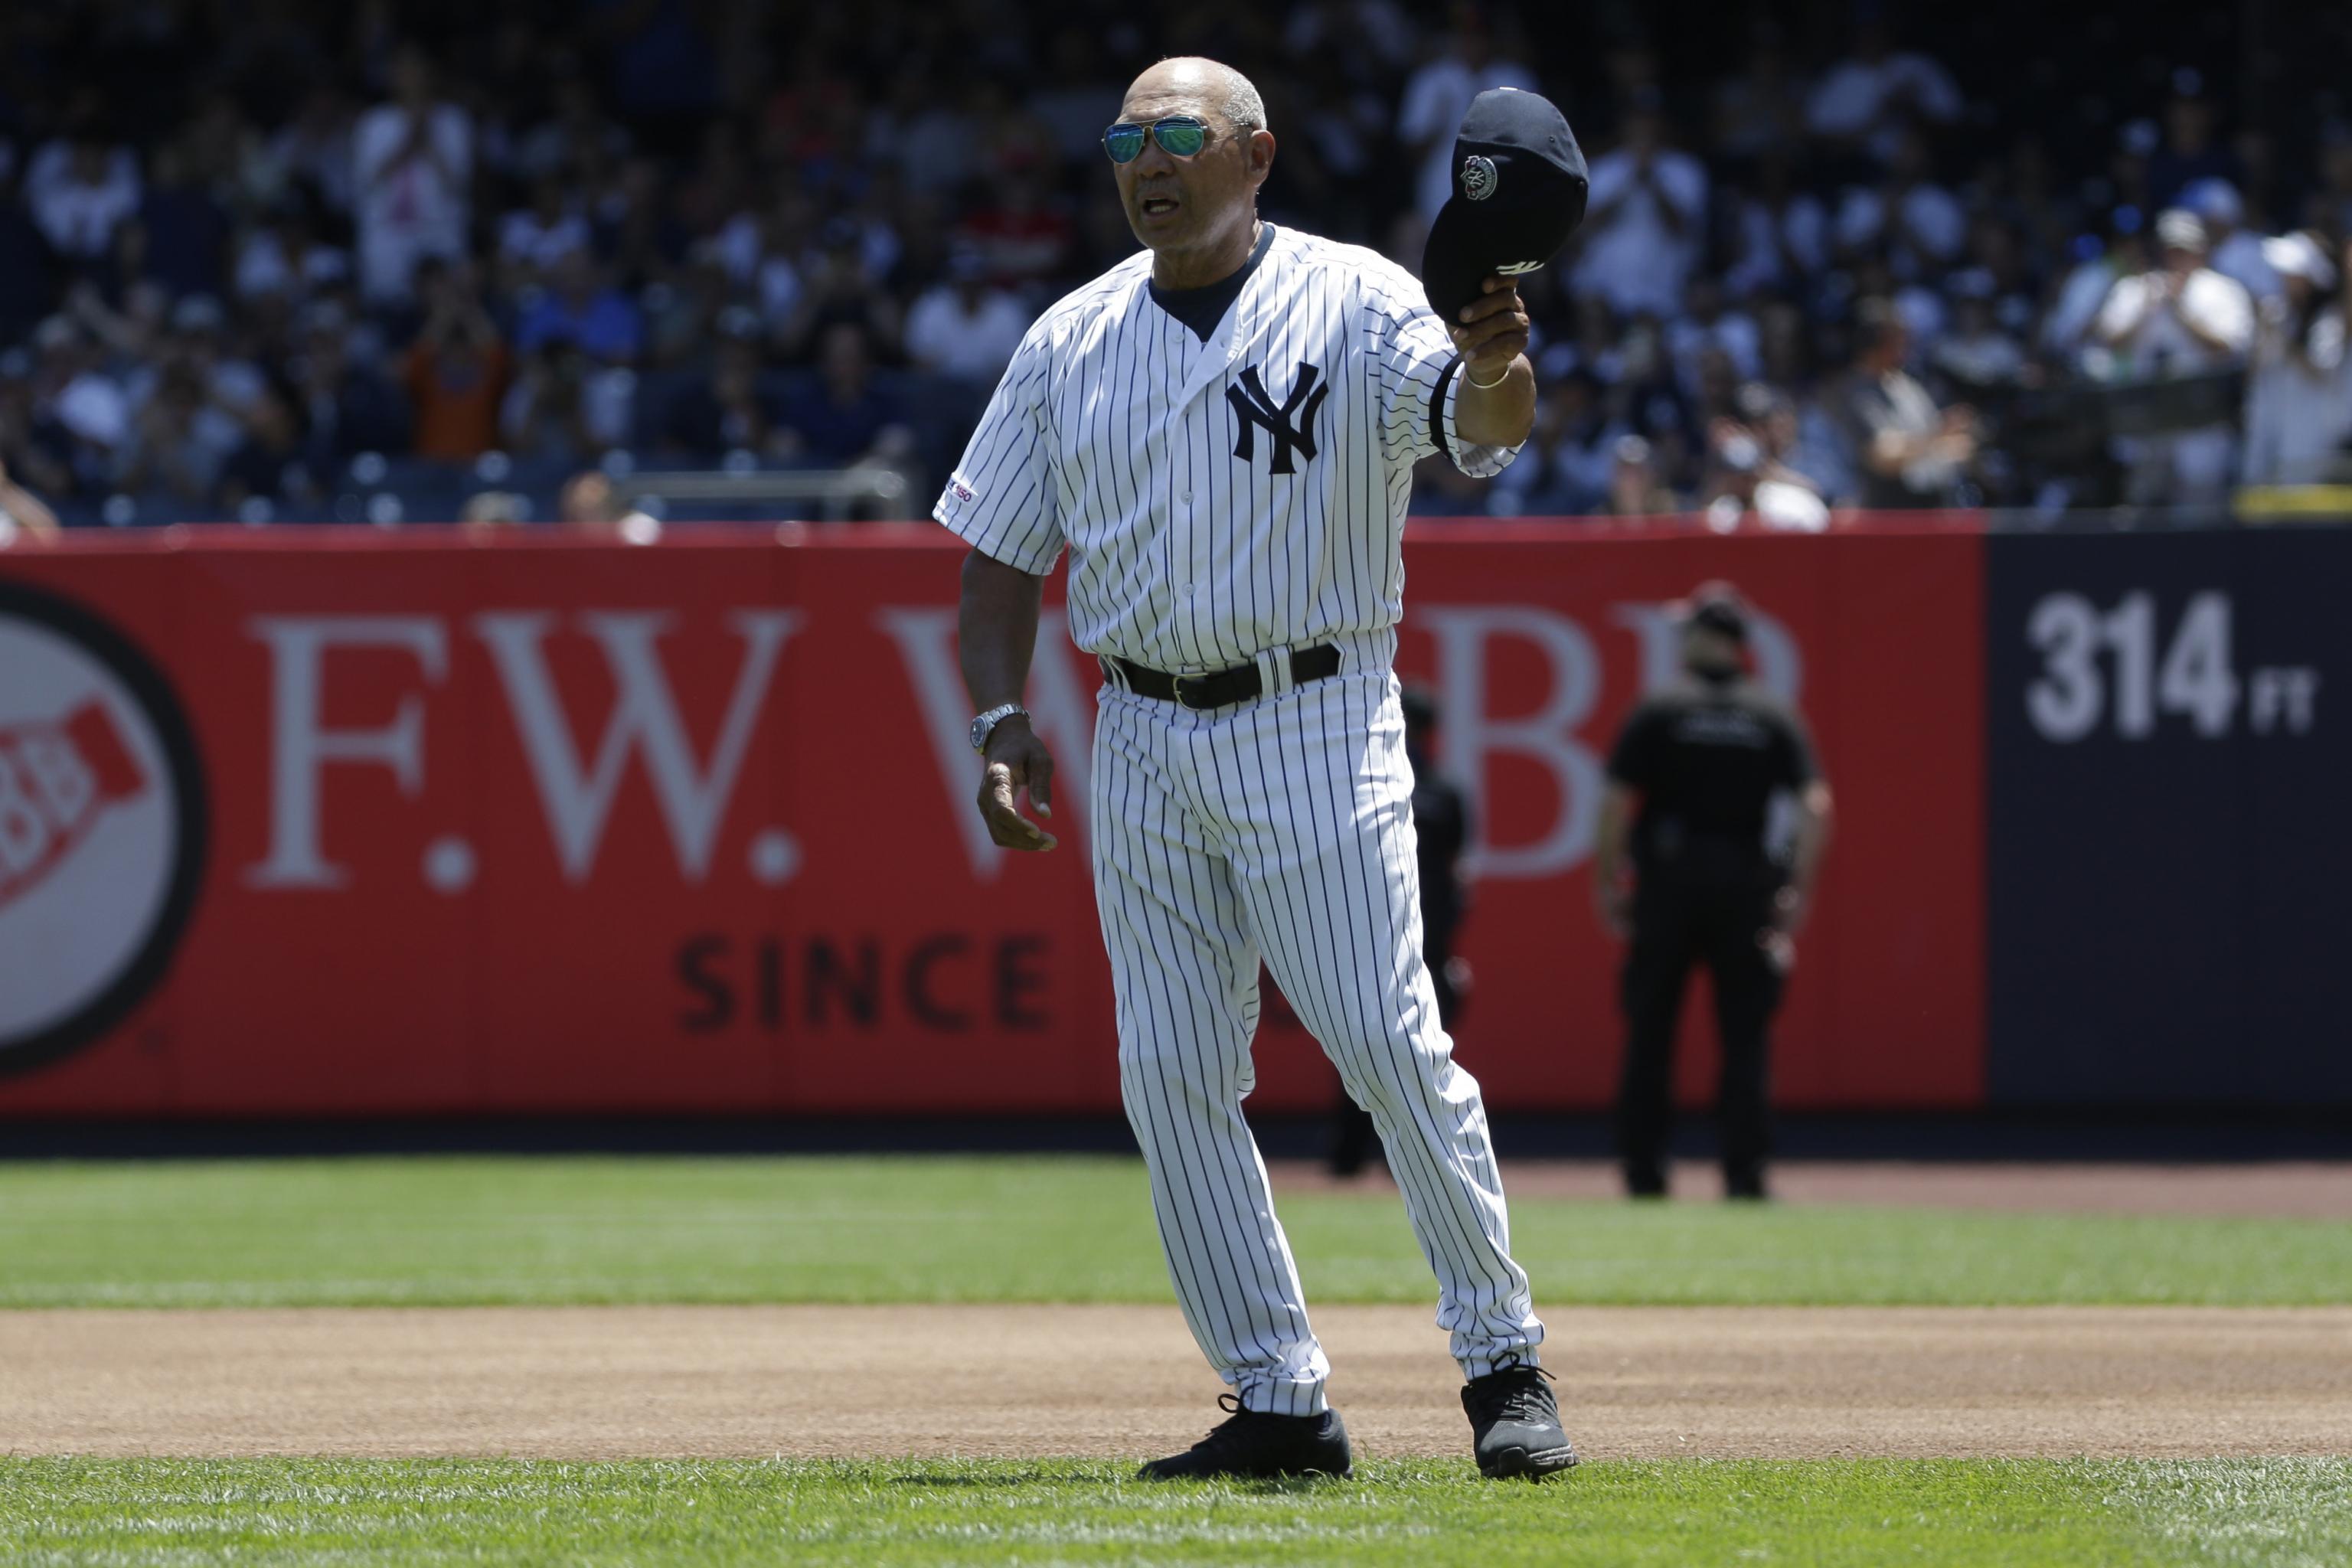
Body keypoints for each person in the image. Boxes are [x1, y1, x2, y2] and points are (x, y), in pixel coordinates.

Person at [938, 57, 1574, 1483]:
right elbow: (995, 559)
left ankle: (1502, 1359)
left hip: (1313, 716)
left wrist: (1495, 365)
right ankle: (1279, 1397)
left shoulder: (1353, 298)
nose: (1146, 161)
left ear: (1255, 154)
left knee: (1385, 1043)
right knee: (1167, 1072)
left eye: (1176, 135)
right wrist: (998, 721)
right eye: (1125, 138)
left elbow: (1475, 433)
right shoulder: (1069, 338)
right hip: (1144, 730)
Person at [1591, 585, 1832, 1200]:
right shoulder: (1770, 714)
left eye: (1690, 629)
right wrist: (1798, 889)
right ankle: (1745, 1174)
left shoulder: (1660, 709)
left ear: (1710, 638)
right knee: (1745, 1036)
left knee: (1650, 1031)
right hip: (1745, 888)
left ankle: (1644, 1173)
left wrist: (1608, 878)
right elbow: (1815, 804)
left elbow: (1616, 805)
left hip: (1668, 888)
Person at [1329, 684, 1471, 1178]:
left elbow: (1455, 873)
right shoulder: (1363, 784)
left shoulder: (1441, 794)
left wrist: (1451, 946)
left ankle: (1407, 1162)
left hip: (1426, 939)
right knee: (1364, 1041)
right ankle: (1351, 1157)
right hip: (1372, 934)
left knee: (1419, 1045)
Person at [2091, 207, 2254, 506]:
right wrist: (2145, 309)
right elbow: (2107, 341)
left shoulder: (2222, 290)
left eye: (2183, 249)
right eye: (2169, 249)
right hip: (2147, 421)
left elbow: (2231, 349)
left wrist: (2181, 312)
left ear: (2200, 250)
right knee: (2141, 511)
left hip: (2201, 420)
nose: (2175, 256)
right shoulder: (2137, 288)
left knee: (2198, 514)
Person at [1842, 297, 1976, 508]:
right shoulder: (1858, 392)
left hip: (1931, 504)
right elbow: (1883, 456)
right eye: (1896, 340)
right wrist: (1937, 437)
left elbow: (1937, 442)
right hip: (1887, 511)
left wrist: (1952, 439)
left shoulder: (1906, 385)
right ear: (1874, 343)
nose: (1906, 346)